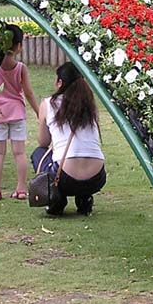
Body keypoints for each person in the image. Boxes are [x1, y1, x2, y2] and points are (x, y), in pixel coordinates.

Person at [32, 62, 106, 216]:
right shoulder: (90, 107)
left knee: (38, 153)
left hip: (65, 178)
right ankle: (84, 198)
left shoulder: (48, 104)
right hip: (97, 178)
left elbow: (43, 142)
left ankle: (56, 198)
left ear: (60, 82)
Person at [0, 24, 40, 201]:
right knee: (19, 152)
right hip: (17, 112)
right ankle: (21, 188)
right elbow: (29, 93)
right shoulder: (20, 67)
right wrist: (39, 112)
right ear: (18, 46)